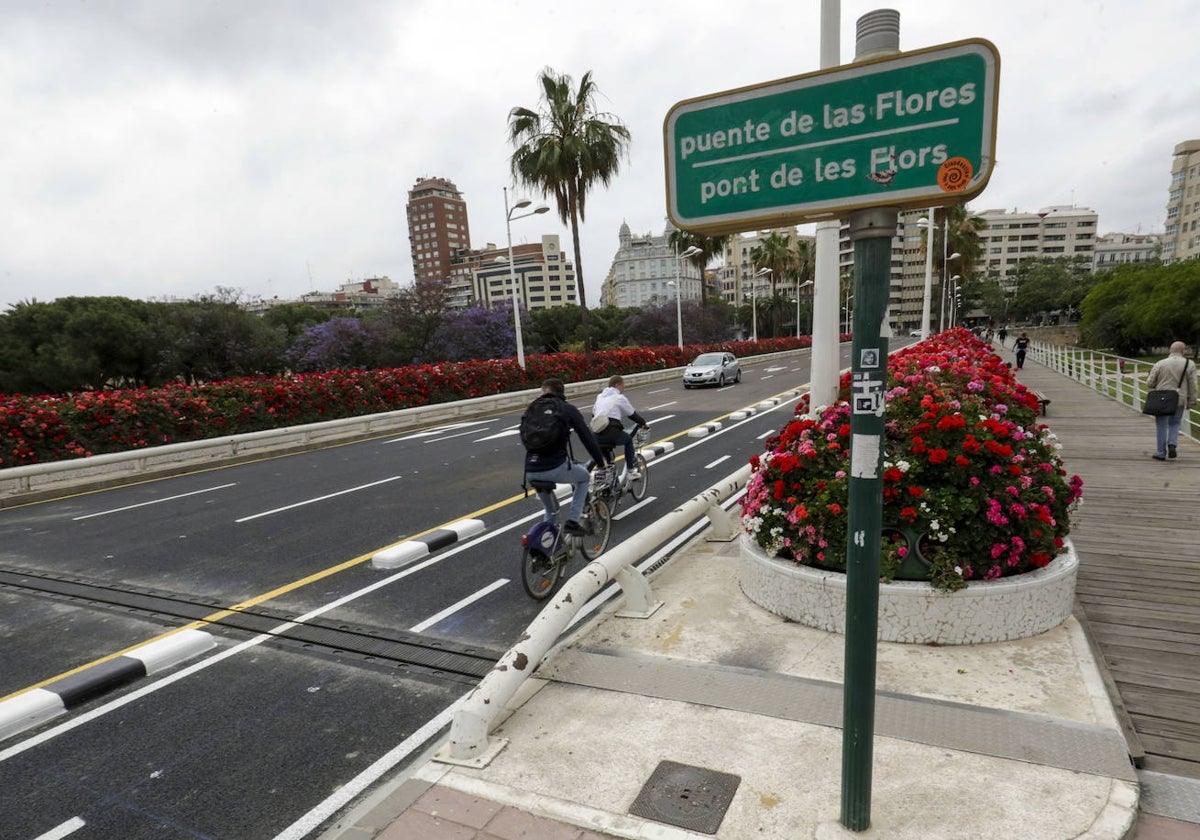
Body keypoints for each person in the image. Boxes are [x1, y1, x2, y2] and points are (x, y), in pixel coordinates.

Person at [523, 378, 609, 535]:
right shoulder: (567, 409)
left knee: (552, 512)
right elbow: (587, 438)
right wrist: (600, 462)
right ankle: (572, 522)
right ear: (561, 392)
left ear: (544, 391)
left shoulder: (532, 408)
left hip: (530, 469)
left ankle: (546, 553)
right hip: (554, 466)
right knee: (583, 477)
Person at [591, 375, 650, 481]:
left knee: (607, 461)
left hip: (596, 433)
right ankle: (631, 471)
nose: (624, 388)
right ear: (617, 385)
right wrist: (643, 424)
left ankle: (608, 484)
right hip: (611, 431)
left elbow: (593, 414)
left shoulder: (600, 396)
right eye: (623, 385)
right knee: (627, 440)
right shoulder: (619, 398)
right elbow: (632, 414)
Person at [1146, 341, 1197, 461]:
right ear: (1183, 351)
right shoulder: (1189, 364)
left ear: (1170, 350)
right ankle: (1172, 443)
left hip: (1161, 399)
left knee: (1161, 425)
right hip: (1179, 399)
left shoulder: (1160, 363)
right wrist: (1192, 400)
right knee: (1175, 423)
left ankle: (1160, 452)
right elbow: (1193, 385)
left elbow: (1150, 383)